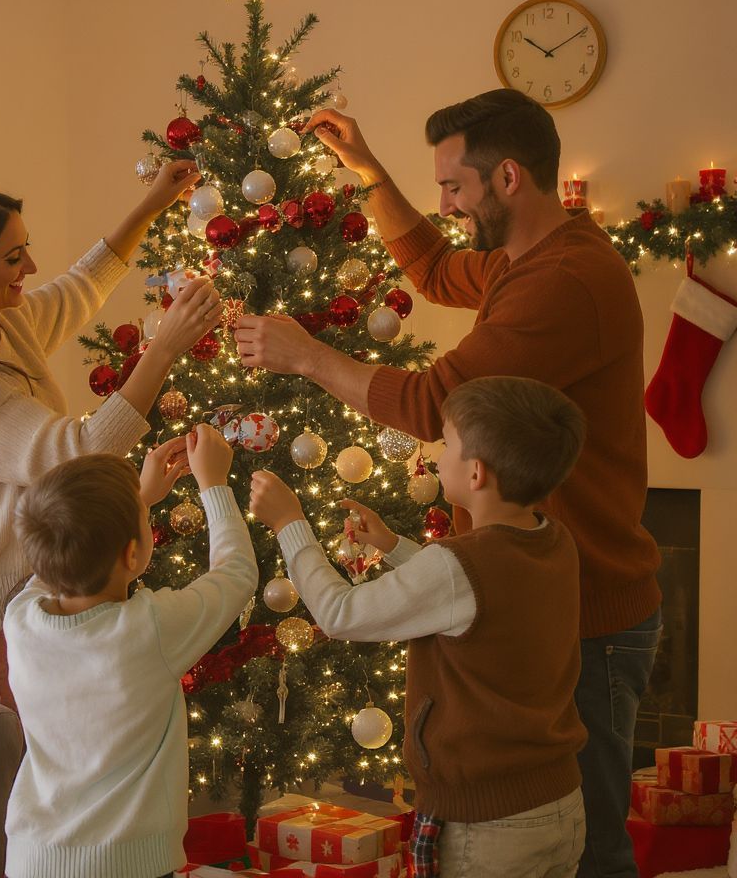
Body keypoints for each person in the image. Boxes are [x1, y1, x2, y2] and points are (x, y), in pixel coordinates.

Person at [234, 90, 661, 877]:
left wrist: (306, 356)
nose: (446, 203)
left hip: (586, 613)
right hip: (541, 596)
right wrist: (368, 171)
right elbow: (431, 266)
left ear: (507, 179)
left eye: (454, 188)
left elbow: (435, 403)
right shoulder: (521, 257)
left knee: (593, 849)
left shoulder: (565, 282)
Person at [0, 160, 222, 706]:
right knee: (17, 784)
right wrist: (165, 348)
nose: (30, 266)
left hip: (36, 598)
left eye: (26, 249)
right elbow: (77, 453)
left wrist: (151, 207)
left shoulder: (3, 323)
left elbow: (81, 286)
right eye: (13, 258)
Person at [250, 376, 589, 878]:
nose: (436, 453)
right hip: (559, 801)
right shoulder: (552, 541)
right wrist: (395, 547)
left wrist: (289, 524)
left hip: (488, 825)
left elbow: (340, 613)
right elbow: (472, 596)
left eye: (447, 444)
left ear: (476, 473)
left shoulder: (461, 564)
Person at [3, 424, 257, 878]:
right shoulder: (150, 628)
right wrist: (213, 485)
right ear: (134, 553)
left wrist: (138, 501)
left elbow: (58, 556)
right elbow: (236, 574)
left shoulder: (20, 620)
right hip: (128, 864)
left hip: (32, 858)